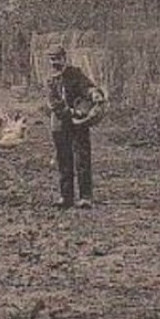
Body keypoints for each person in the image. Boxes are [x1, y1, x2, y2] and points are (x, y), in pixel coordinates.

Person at [46, 45, 107, 209]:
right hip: (60, 125)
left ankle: (86, 197)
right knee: (64, 160)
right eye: (52, 59)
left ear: (64, 58)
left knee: (82, 158)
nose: (54, 63)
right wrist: (72, 112)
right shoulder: (51, 80)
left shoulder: (75, 74)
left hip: (80, 124)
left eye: (57, 59)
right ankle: (66, 197)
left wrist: (93, 93)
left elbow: (86, 87)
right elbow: (54, 104)